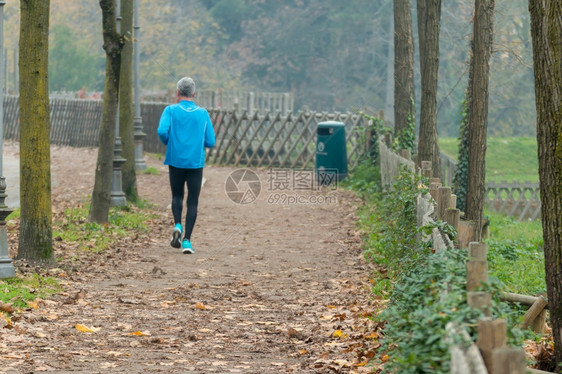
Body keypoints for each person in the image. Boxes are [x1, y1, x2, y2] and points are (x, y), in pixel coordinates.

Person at [157, 77, 215, 254]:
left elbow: (161, 131)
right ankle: (187, 241)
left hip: (175, 160)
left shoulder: (170, 110)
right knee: (193, 201)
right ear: (194, 93)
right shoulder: (203, 113)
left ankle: (177, 225)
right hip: (195, 163)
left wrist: (171, 142)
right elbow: (210, 141)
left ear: (177, 93)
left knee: (177, 196)